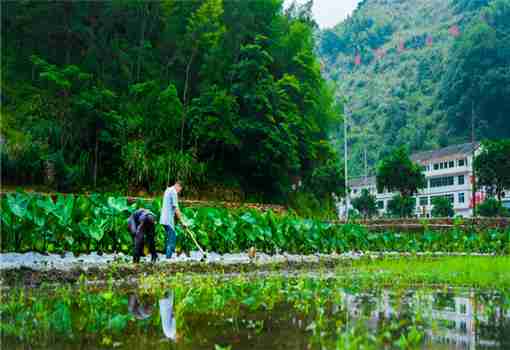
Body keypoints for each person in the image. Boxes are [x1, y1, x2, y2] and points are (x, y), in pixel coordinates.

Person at [160, 181, 187, 259]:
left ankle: (166, 258)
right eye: (180, 190)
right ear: (178, 186)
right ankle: (168, 260)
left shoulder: (167, 190)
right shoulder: (174, 192)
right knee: (172, 239)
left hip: (163, 219)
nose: (179, 192)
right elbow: (176, 208)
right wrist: (183, 222)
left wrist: (178, 219)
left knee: (169, 238)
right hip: (168, 220)